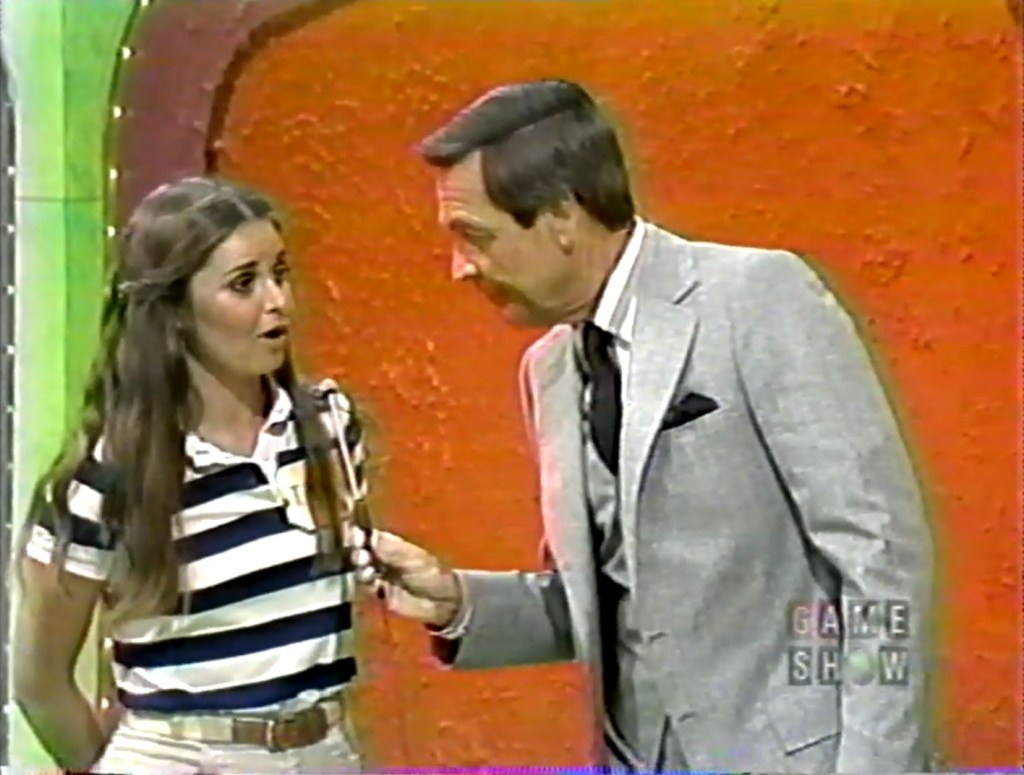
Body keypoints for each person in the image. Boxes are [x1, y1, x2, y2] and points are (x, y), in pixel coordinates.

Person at [354, 79, 935, 771]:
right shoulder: (551, 370)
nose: (460, 269)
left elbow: (879, 562)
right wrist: (458, 601)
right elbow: (609, 602)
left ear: (563, 216)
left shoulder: (752, 299)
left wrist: (872, 765)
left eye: (475, 237)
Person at [13, 176, 369, 773]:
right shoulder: (112, 475)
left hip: (325, 749)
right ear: (175, 312)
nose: (277, 301)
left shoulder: (330, 428)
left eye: (280, 273)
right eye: (243, 284)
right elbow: (40, 682)